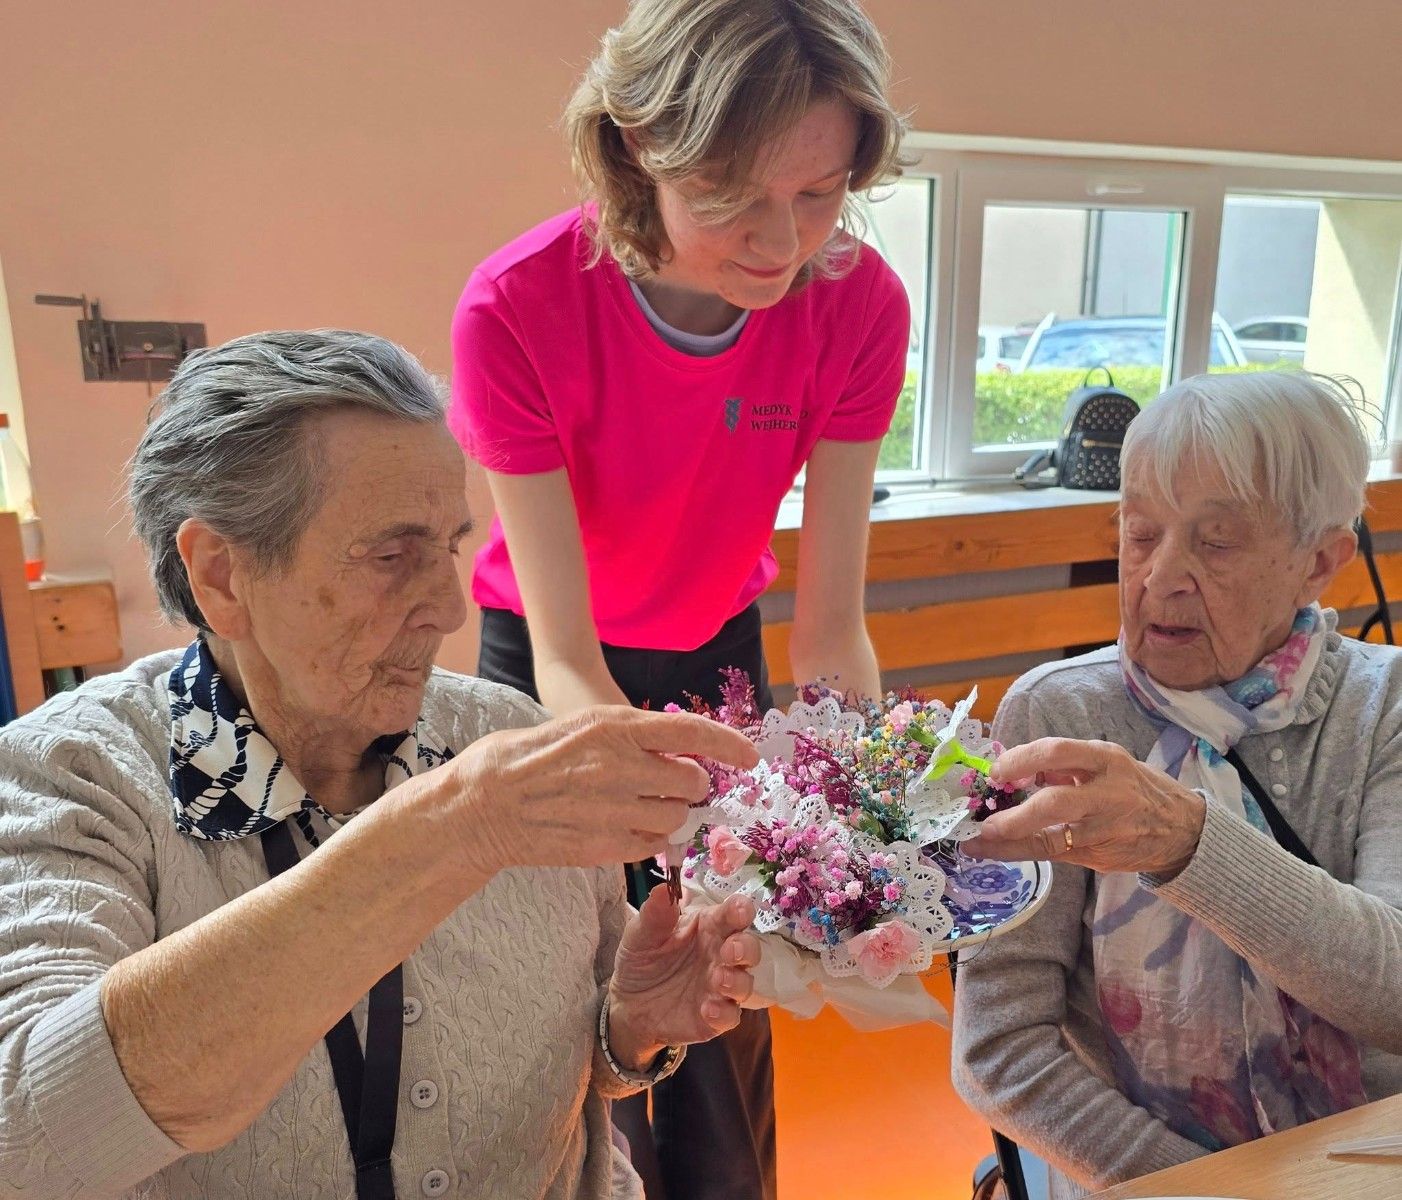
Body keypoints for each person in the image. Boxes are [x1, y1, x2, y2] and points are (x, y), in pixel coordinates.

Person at [0, 329, 766, 1200]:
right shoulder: (73, 776)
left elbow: (587, 1065)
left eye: (448, 548)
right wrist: (452, 830)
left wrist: (631, 1024)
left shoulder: (505, 735)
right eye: (391, 555)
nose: (447, 607)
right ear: (221, 574)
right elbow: (28, 1140)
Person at [449, 2, 910, 1194]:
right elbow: (563, 658)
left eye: (819, 195)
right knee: (581, 990)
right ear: (632, 150)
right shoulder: (517, 308)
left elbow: (829, 626)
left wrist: (864, 819)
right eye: (734, 198)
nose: (782, 242)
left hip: (717, 652)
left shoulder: (855, 304)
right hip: (553, 667)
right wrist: (660, 828)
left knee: (722, 980)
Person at [951, 372, 1402, 1199]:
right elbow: (999, 1050)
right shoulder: (1056, 714)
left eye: (1216, 542)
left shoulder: (1387, 709)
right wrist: (1216, 1192)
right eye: (1139, 534)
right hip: (1137, 1176)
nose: (1161, 578)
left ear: (1321, 561)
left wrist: (1187, 842)